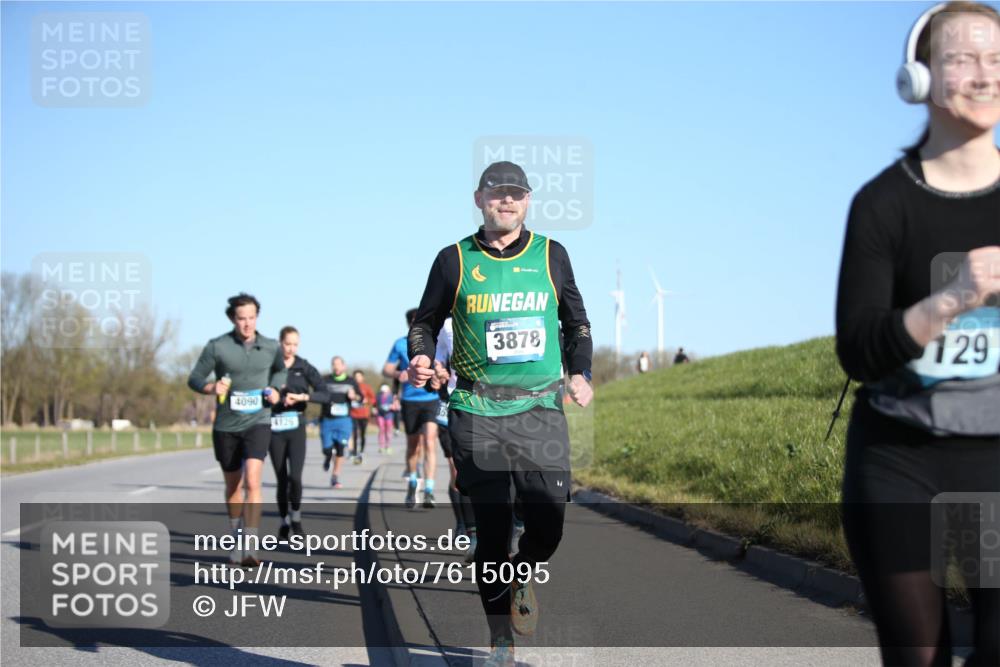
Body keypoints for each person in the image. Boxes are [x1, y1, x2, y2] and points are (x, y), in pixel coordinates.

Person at [836, 4, 1000, 665]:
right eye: (963, 60)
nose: (985, 76)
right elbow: (859, 349)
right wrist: (957, 297)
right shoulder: (883, 204)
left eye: (997, 61)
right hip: (900, 457)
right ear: (921, 77)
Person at [407, 161, 594, 666]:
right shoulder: (454, 260)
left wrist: (581, 373)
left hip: (539, 408)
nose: (506, 202)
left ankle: (520, 574)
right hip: (475, 409)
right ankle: (500, 645)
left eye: (515, 194)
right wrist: (421, 356)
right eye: (496, 194)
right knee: (491, 531)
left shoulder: (553, 255)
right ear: (479, 199)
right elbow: (423, 324)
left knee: (549, 523)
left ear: (527, 201)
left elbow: (577, 325)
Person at [187, 293, 285, 567]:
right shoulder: (217, 347)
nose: (247, 324)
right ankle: (236, 535)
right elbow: (194, 379)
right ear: (233, 319)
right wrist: (210, 387)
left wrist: (275, 390)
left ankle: (251, 545)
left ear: (257, 317)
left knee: (254, 481)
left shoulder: (269, 346)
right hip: (227, 425)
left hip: (259, 421)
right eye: (242, 318)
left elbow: (280, 371)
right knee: (234, 485)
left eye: (252, 318)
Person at [269, 326, 330, 538]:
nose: (291, 348)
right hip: (274, 428)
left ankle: (296, 517)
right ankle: (283, 521)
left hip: (296, 427)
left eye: (295, 344)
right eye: (287, 344)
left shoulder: (303, 367)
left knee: (295, 477)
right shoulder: (270, 366)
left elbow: (325, 394)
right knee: (281, 479)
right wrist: (271, 395)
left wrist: (302, 398)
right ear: (280, 343)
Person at [384, 308, 441, 509]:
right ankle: (412, 484)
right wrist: (400, 373)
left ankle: (429, 491)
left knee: (430, 443)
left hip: (431, 398)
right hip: (410, 400)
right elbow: (387, 369)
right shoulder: (400, 344)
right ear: (410, 324)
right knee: (413, 446)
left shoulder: (433, 341)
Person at [434, 317, 478, 562]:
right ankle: (468, 528)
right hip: (453, 404)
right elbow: (438, 356)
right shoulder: (447, 325)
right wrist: (437, 371)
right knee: (460, 470)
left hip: (495, 401)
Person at [319, 356, 359, 489]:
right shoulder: (325, 380)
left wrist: (354, 396)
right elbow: (318, 394)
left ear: (344, 366)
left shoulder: (351, 381)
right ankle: (327, 456)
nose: (336, 367)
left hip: (344, 421)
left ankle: (335, 476)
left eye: (338, 364)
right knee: (327, 449)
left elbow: (361, 397)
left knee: (341, 449)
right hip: (327, 420)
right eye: (333, 365)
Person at [350, 370, 376, 464]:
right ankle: (354, 452)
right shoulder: (351, 387)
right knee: (354, 434)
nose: (357, 378)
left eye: (359, 376)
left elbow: (373, 399)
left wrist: (367, 400)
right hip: (353, 413)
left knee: (362, 434)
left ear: (362, 377)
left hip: (364, 414)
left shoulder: (366, 387)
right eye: (355, 376)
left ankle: (362, 450)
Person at [375, 384, 395, 453]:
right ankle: (381, 446)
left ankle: (388, 446)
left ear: (389, 391)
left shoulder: (392, 396)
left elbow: (396, 405)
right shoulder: (378, 396)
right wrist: (375, 409)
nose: (384, 393)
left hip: (389, 415)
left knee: (388, 430)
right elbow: (375, 404)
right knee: (381, 430)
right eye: (383, 392)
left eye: (385, 391)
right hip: (380, 415)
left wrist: (392, 406)